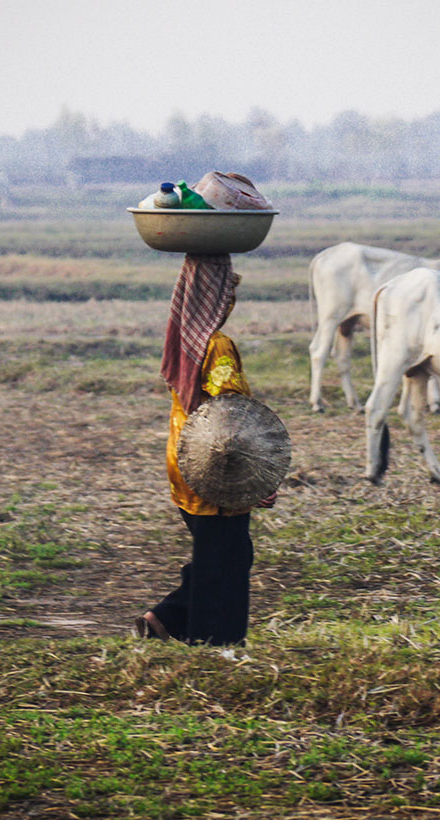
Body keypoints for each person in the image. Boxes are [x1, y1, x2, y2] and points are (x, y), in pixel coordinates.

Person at [137, 253, 273, 646]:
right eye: (227, 290)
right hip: (216, 466)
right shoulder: (217, 346)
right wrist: (256, 478)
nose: (231, 298)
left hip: (184, 458)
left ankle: (162, 620)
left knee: (222, 551)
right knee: (225, 559)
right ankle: (217, 643)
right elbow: (230, 418)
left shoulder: (182, 338)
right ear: (215, 298)